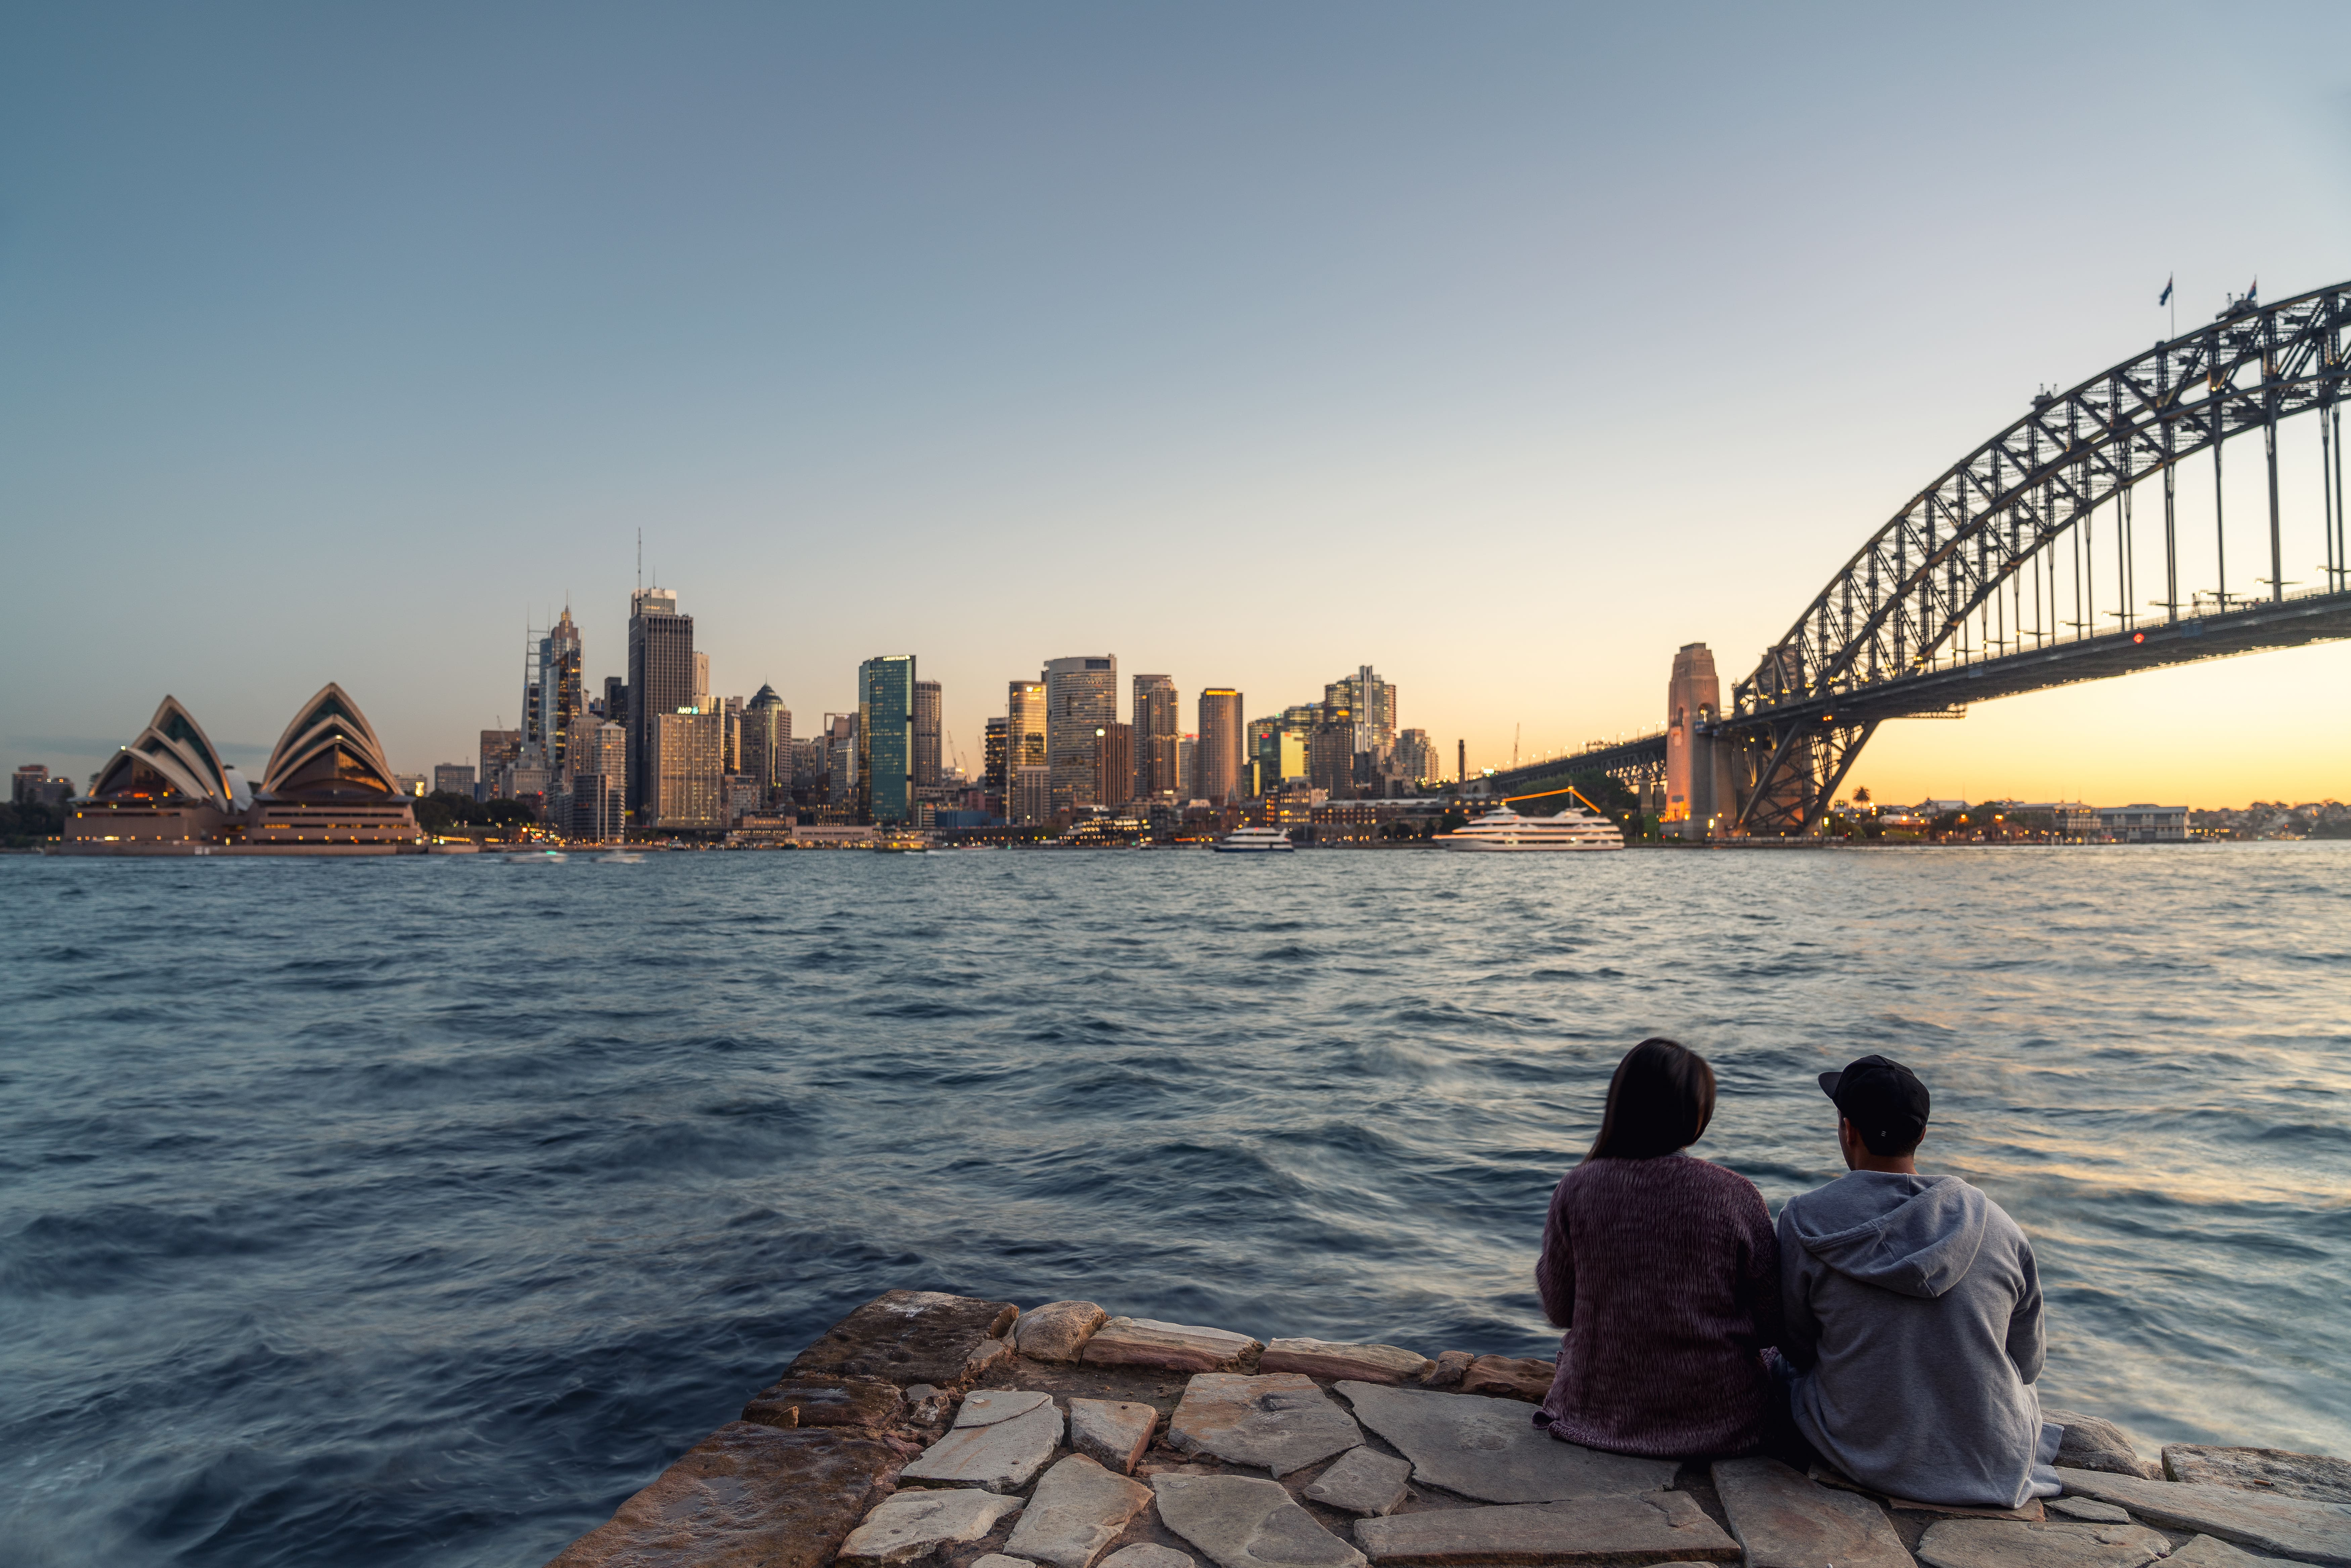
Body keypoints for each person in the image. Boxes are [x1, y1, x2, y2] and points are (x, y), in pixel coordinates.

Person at [1777, 1054, 2059, 1508]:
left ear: (1848, 1130)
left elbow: (1798, 1346)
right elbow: (2027, 1364)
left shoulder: (1804, 1221)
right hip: (1992, 1459)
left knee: (1780, 1372)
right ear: (1922, 1135)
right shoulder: (1997, 1223)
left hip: (1860, 1449)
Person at [1534, 1037, 1781, 1457]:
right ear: (1696, 1116)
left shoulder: (1577, 1187)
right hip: (1724, 1420)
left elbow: (1560, 1310)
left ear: (1621, 1103)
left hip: (1595, 1410)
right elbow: (1773, 1322)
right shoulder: (1735, 1194)